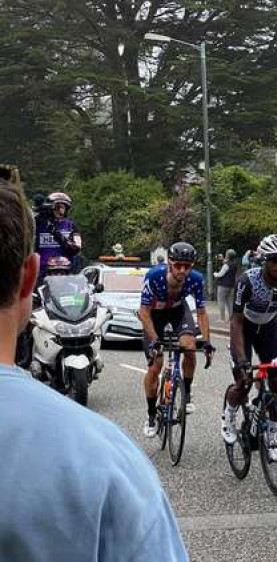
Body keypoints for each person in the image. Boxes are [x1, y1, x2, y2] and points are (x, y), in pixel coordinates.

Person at [0, 179, 188, 561]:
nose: (61, 213)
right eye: (57, 209)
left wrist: (54, 229)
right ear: (26, 275)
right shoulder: (107, 456)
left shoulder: (67, 229)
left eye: (63, 209)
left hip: (66, 284)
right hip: (46, 288)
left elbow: (74, 251)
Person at [221, 235, 277, 461]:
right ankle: (229, 413)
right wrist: (243, 360)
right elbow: (235, 322)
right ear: (263, 261)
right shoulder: (247, 280)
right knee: (244, 382)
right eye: (274, 260)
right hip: (244, 329)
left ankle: (273, 435)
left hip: (268, 329)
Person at [138, 242, 215, 437]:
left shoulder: (196, 279)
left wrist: (206, 342)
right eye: (178, 265)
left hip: (178, 311)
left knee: (189, 348)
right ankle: (151, 414)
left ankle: (186, 393)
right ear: (170, 263)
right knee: (155, 366)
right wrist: (155, 340)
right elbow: (144, 312)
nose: (182, 270)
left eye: (187, 266)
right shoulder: (154, 276)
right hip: (154, 315)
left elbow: (202, 312)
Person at [34, 191, 82, 280]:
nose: (60, 211)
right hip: (41, 274)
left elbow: (77, 248)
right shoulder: (38, 223)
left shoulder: (71, 225)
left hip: (65, 274)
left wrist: (58, 235)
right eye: (57, 207)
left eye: (63, 207)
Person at [213, 249, 238, 322]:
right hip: (231, 285)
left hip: (223, 285)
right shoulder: (235, 264)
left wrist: (215, 274)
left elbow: (220, 274)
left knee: (221, 301)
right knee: (229, 302)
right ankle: (231, 318)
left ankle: (222, 318)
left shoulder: (226, 265)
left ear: (227, 255)